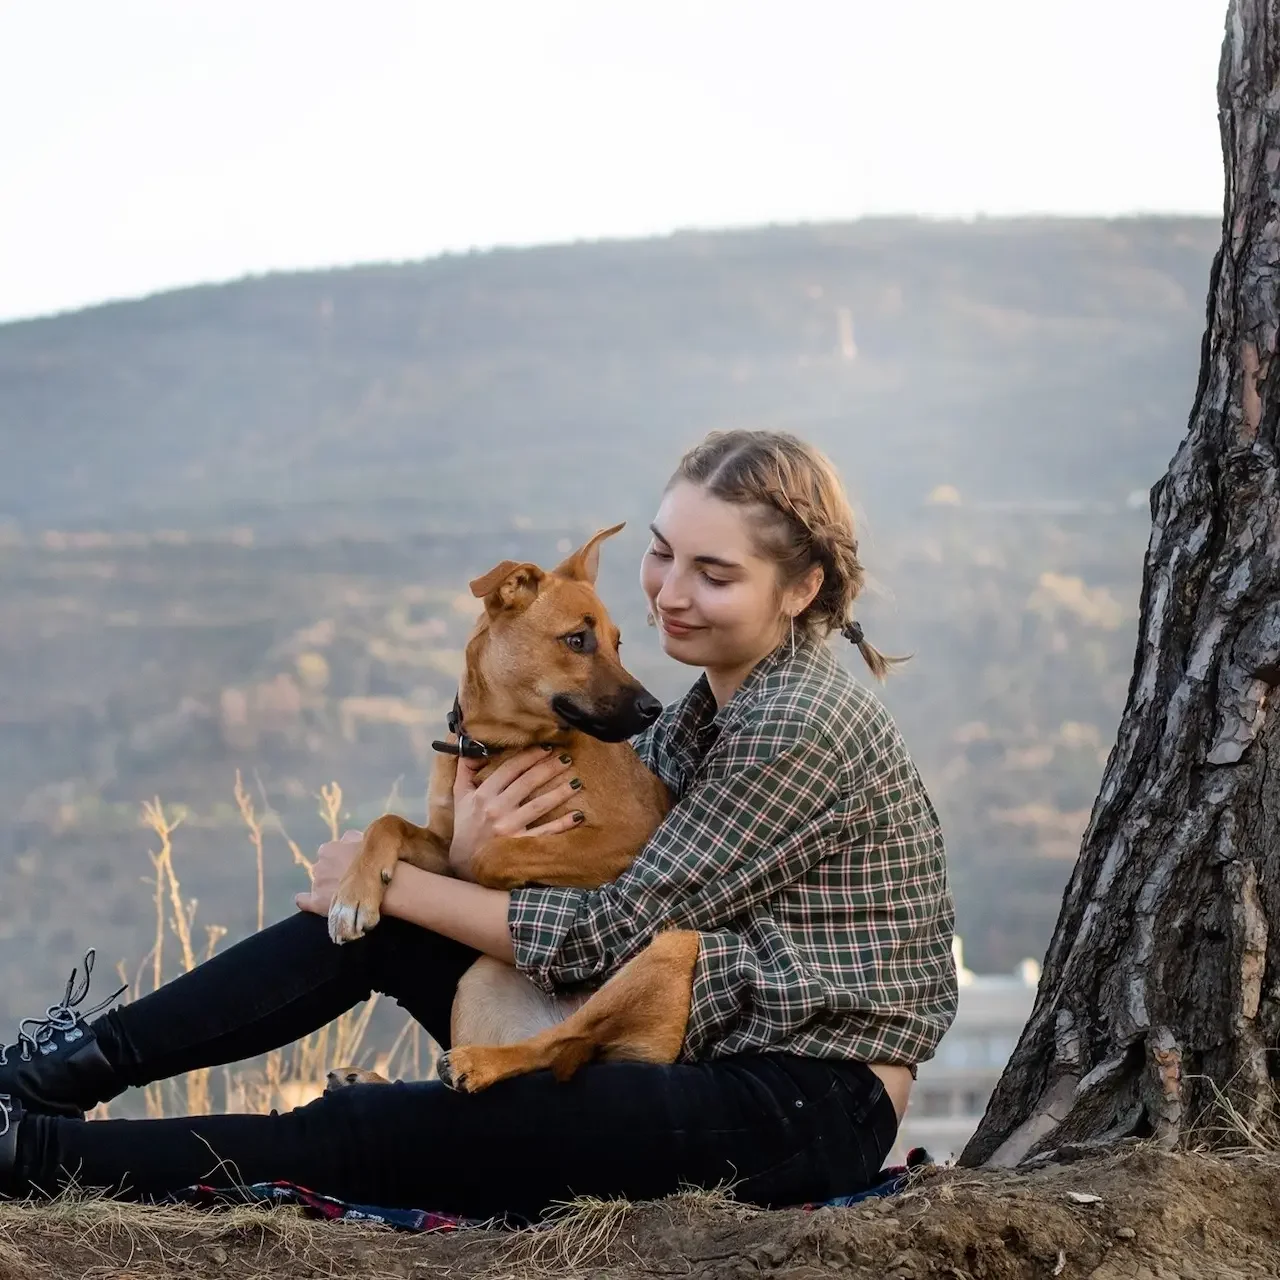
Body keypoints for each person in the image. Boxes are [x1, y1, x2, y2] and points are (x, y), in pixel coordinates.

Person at [0, 429, 957, 1220]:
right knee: (371, 926)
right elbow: (582, 895)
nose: (667, 591)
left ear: (798, 590)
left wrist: (407, 880)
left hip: (795, 1102)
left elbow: (604, 938)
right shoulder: (708, 706)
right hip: (680, 1039)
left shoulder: (797, 723)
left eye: (714, 573)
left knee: (366, 1133)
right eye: (662, 553)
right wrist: (430, 871)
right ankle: (52, 1075)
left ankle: (30, 1153)